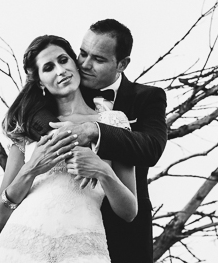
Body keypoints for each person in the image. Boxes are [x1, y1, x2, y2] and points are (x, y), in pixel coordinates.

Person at [0, 35, 138, 263]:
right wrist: (32, 168)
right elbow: (0, 217)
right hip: (21, 246)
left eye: (63, 60)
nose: (60, 71)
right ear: (40, 81)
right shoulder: (27, 128)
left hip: (83, 249)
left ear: (75, 63)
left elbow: (129, 211)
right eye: (48, 67)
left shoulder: (113, 122)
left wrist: (102, 170)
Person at [51, 19, 167, 263]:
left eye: (99, 59)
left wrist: (95, 130)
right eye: (82, 53)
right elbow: (31, 117)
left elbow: (151, 147)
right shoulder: (65, 89)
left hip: (126, 234)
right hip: (66, 229)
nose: (84, 64)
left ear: (122, 64)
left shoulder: (147, 98)